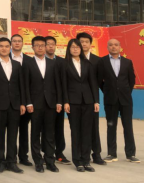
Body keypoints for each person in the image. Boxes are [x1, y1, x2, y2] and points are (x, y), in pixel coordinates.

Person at [0, 37, 26, 174]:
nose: (4, 48)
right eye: (1, 46)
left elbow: (21, 86)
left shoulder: (17, 64)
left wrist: (22, 103)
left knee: (13, 135)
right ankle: (0, 162)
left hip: (14, 105)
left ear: (10, 48)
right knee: (0, 135)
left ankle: (12, 162)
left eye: (6, 46)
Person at [24, 36, 62, 174]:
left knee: (49, 134)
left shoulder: (53, 63)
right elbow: (25, 85)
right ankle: (38, 162)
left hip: (50, 103)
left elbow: (58, 84)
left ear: (46, 47)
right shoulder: (27, 63)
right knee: (35, 134)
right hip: (35, 104)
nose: (40, 47)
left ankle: (50, 161)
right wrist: (28, 102)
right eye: (37, 45)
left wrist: (59, 101)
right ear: (32, 47)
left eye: (42, 45)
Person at [61, 39, 100, 173]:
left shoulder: (87, 63)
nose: (76, 49)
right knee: (76, 131)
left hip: (88, 101)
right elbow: (63, 84)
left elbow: (93, 83)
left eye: (77, 47)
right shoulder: (65, 64)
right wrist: (66, 101)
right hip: (73, 102)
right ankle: (77, 161)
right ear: (69, 49)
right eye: (73, 47)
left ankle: (86, 160)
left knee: (87, 132)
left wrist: (96, 101)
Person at [99, 39, 140, 164]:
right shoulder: (102, 61)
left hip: (125, 100)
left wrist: (125, 92)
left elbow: (131, 80)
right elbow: (99, 80)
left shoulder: (127, 62)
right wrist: (108, 91)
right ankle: (111, 154)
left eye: (116, 45)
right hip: (110, 99)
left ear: (120, 47)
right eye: (111, 45)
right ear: (107, 47)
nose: (113, 47)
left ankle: (131, 154)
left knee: (128, 126)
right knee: (111, 126)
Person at [78, 32, 106, 166]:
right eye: (81, 42)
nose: (84, 44)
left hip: (92, 99)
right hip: (77, 99)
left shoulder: (97, 60)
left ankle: (96, 154)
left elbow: (99, 81)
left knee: (94, 127)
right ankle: (82, 154)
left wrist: (96, 99)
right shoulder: (73, 60)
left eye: (86, 42)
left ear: (90, 44)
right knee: (79, 128)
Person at [44, 36, 71, 166]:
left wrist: (63, 101)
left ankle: (59, 153)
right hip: (43, 101)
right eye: (48, 44)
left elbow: (64, 83)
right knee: (45, 129)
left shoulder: (62, 62)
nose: (50, 46)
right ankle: (46, 154)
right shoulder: (40, 61)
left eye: (52, 44)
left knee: (58, 128)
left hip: (58, 101)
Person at [10, 34, 33, 167]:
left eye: (19, 41)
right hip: (10, 101)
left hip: (26, 100)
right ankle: (11, 157)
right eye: (14, 41)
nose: (17, 43)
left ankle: (23, 156)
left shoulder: (30, 60)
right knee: (11, 132)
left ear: (23, 43)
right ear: (11, 43)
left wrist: (27, 101)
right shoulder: (4, 58)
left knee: (24, 130)